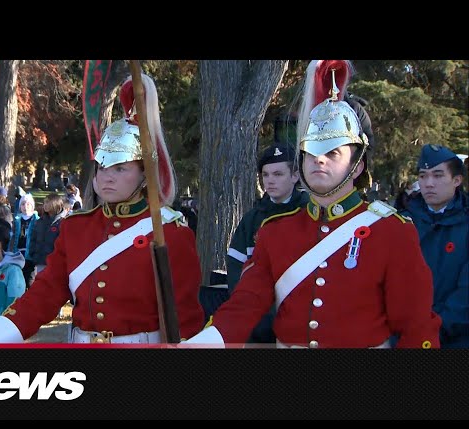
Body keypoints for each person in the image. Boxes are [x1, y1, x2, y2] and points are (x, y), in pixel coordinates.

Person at [184, 59, 441, 348]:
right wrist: (202, 342)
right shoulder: (275, 230)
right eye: (311, 152)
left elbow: (415, 327)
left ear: (357, 166)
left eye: (333, 153)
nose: (319, 159)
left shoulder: (392, 231)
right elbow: (245, 304)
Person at [0, 73, 204, 344]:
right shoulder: (76, 227)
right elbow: (44, 295)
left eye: (120, 168)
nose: (107, 177)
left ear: (145, 174)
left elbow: (185, 317)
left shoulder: (169, 231)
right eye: (102, 168)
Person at [226, 142, 309, 343]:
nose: (270, 181)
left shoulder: (310, 213)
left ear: (295, 176)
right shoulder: (252, 219)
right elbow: (236, 269)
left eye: (278, 174)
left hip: (303, 322)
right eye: (266, 175)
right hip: (259, 321)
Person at [399, 144, 468, 348]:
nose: (428, 183)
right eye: (423, 176)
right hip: (403, 334)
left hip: (455, 336)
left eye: (437, 176)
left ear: (457, 180)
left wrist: (432, 328)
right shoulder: (402, 221)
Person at [7, 192, 40, 289]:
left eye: (28, 204)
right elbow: (12, 237)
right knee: (17, 280)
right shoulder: (16, 220)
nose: (25, 206)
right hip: (17, 254)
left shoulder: (37, 220)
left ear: (32, 206)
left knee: (30, 280)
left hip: (30, 254)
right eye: (23, 204)